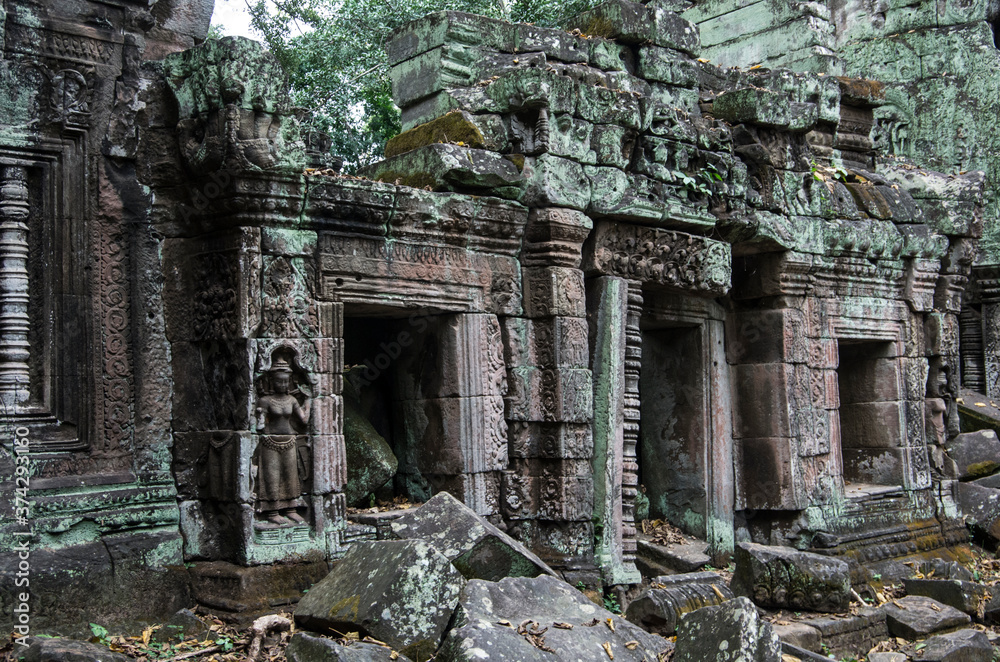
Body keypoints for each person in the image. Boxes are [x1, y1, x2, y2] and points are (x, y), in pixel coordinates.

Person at [255, 355, 311, 525]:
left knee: (291, 475)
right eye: (279, 382)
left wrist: (308, 399)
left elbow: (304, 420)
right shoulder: (265, 400)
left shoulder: (292, 400)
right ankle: (272, 511)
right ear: (272, 382)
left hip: (290, 439)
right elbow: (259, 426)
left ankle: (291, 509)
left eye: (286, 382)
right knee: (272, 476)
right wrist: (259, 415)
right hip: (270, 442)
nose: (283, 385)